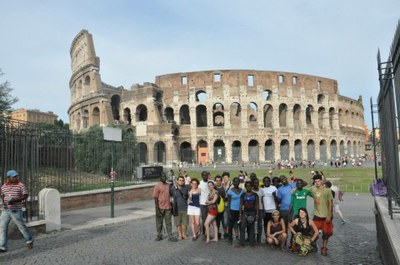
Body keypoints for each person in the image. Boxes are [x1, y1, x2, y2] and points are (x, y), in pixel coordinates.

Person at [0, 170, 34, 252]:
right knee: (2, 228)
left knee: (21, 226)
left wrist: (15, 200)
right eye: (13, 176)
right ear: (9, 177)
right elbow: (2, 196)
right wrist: (2, 201)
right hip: (5, 210)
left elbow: (25, 196)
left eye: (16, 176)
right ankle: (2, 246)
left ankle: (29, 239)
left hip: (16, 210)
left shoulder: (21, 185)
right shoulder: (4, 186)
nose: (16, 178)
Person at [310, 174, 333, 256]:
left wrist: (329, 215)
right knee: (313, 231)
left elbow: (330, 203)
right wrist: (294, 189)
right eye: (315, 181)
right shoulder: (312, 189)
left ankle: (324, 247)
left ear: (322, 181)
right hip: (317, 215)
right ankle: (314, 245)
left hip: (325, 215)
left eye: (318, 181)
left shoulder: (327, 190)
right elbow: (305, 190)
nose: (317, 183)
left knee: (326, 233)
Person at [153, 173, 177, 242]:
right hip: (160, 207)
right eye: (162, 177)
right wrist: (157, 209)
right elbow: (155, 199)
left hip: (168, 207)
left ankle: (170, 236)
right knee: (159, 223)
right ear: (160, 178)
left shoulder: (168, 185)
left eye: (165, 177)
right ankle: (159, 235)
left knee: (168, 222)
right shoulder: (157, 186)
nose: (164, 178)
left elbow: (172, 194)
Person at [239, 181, 259, 247]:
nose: (249, 187)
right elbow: (241, 205)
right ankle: (242, 242)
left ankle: (252, 243)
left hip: (252, 213)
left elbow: (257, 205)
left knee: (252, 228)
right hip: (245, 212)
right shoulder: (243, 195)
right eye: (247, 186)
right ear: (245, 187)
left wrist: (257, 214)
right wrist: (240, 215)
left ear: (252, 187)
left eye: (250, 186)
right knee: (242, 227)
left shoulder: (255, 195)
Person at [170, 175, 189, 240]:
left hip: (185, 207)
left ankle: (184, 234)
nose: (181, 181)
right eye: (180, 180)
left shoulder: (186, 188)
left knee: (185, 223)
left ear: (184, 181)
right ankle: (180, 235)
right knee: (178, 223)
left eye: (182, 180)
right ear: (177, 181)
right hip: (176, 208)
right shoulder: (173, 188)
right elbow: (170, 196)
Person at [227, 177, 244, 244]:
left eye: (237, 181)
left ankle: (240, 238)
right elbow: (228, 202)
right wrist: (228, 212)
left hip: (240, 210)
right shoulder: (230, 191)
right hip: (232, 209)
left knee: (240, 225)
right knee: (230, 225)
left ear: (239, 182)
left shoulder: (242, 191)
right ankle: (230, 239)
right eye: (235, 181)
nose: (236, 183)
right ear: (233, 183)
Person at [252, 178, 264, 244]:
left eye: (257, 183)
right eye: (255, 183)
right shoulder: (250, 190)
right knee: (252, 224)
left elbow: (262, 201)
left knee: (260, 224)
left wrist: (264, 209)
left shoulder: (261, 190)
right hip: (252, 210)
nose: (256, 184)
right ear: (253, 184)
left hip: (260, 209)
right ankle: (252, 238)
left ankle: (258, 239)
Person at [214, 175, 226, 240]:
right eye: (217, 180)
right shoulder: (214, 188)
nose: (218, 182)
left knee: (225, 222)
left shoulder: (224, 188)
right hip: (216, 208)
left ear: (221, 181)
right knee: (217, 222)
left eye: (219, 180)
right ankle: (217, 234)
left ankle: (225, 234)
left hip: (223, 207)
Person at [199, 171, 210, 238]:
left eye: (206, 175)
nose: (205, 176)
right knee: (204, 218)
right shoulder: (200, 183)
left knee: (209, 219)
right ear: (202, 176)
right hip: (202, 203)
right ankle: (204, 232)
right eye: (203, 175)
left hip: (209, 203)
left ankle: (207, 232)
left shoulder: (210, 182)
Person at [222, 171, 232, 239]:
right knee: (224, 220)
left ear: (228, 178)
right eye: (224, 177)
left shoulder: (231, 185)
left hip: (230, 205)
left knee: (229, 220)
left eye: (226, 177)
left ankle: (228, 233)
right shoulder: (221, 185)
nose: (225, 179)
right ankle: (225, 232)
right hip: (223, 205)